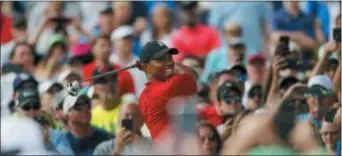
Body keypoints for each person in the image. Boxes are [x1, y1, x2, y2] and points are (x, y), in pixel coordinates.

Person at [138, 41, 197, 142]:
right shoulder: (168, 88)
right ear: (146, 67)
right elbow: (193, 76)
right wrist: (173, 67)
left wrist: (148, 67)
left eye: (169, 58)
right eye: (161, 60)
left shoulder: (144, 95)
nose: (169, 63)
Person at [110, 26, 148, 97]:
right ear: (115, 43)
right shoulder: (109, 62)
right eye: (124, 40)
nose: (127, 42)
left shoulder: (140, 63)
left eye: (130, 39)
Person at [90, 66, 124, 136]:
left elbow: (130, 137)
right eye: (103, 81)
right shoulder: (92, 117)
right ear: (95, 88)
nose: (109, 84)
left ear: (117, 83)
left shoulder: (130, 108)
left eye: (112, 79)